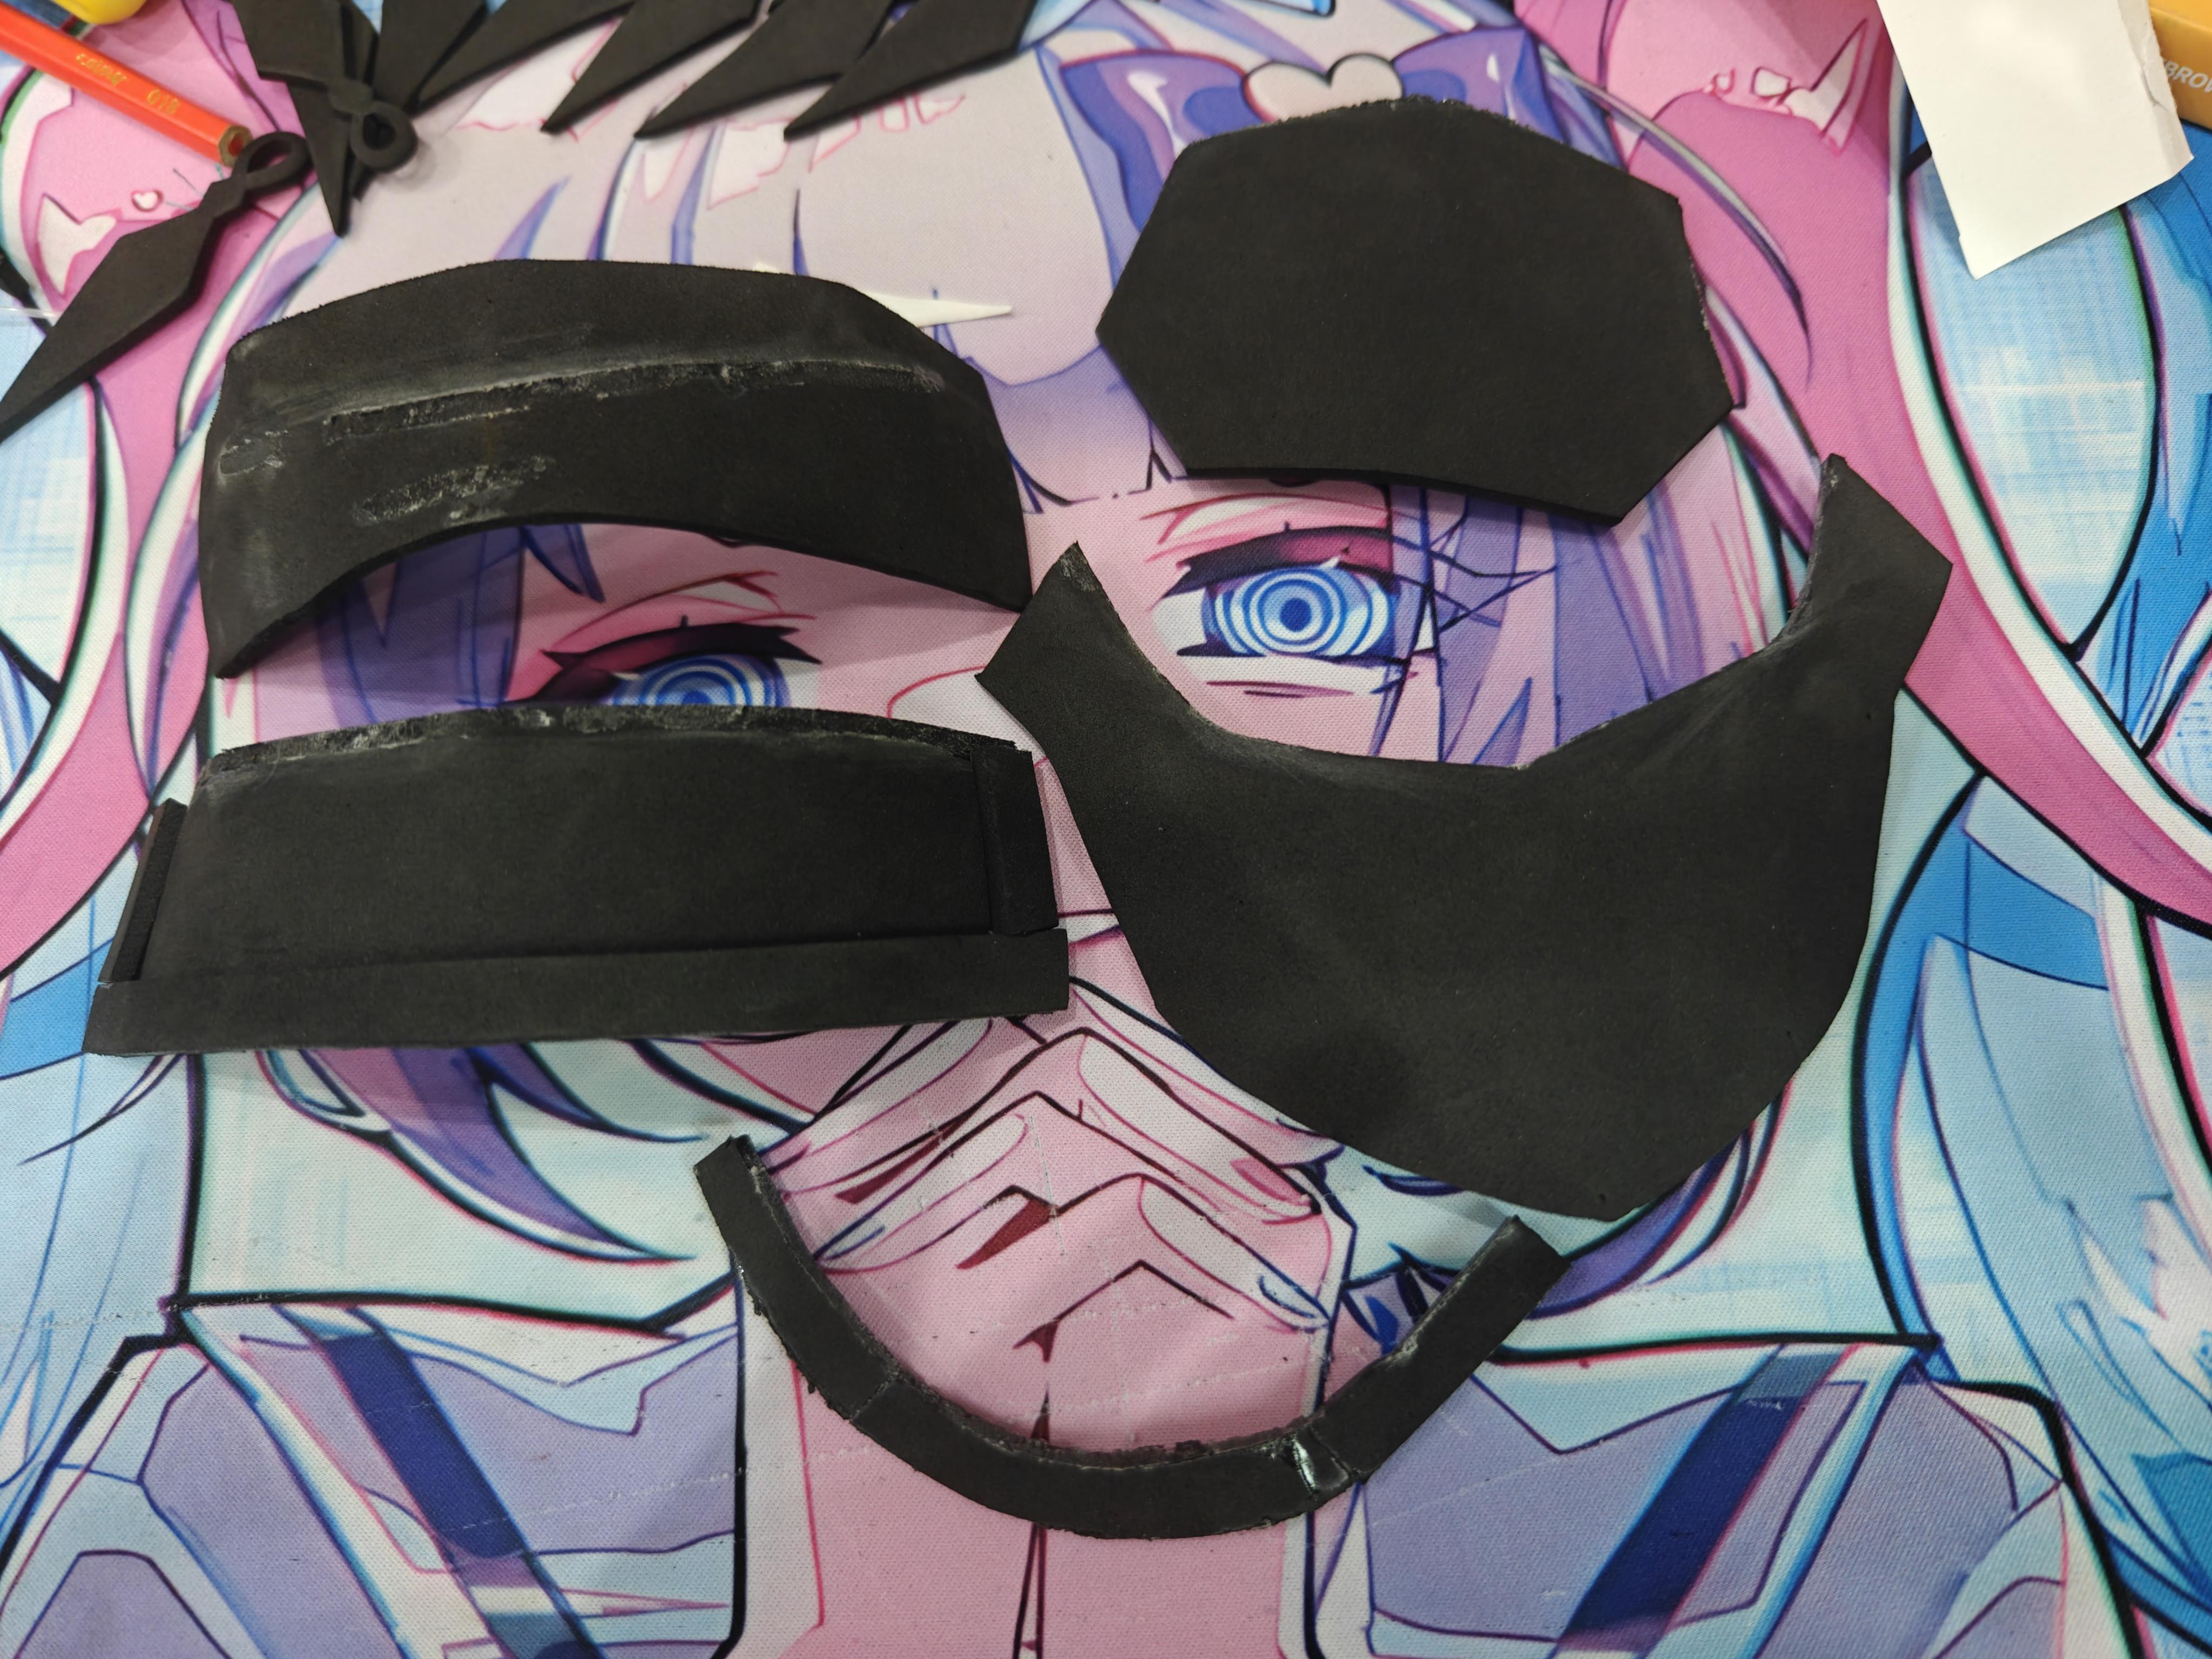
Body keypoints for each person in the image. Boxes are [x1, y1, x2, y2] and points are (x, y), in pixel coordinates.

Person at [0, 0, 2148, 1651]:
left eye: (1296, 607)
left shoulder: (1880, 1519)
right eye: (708, 677)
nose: (1072, 839)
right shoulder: (244, 1493)